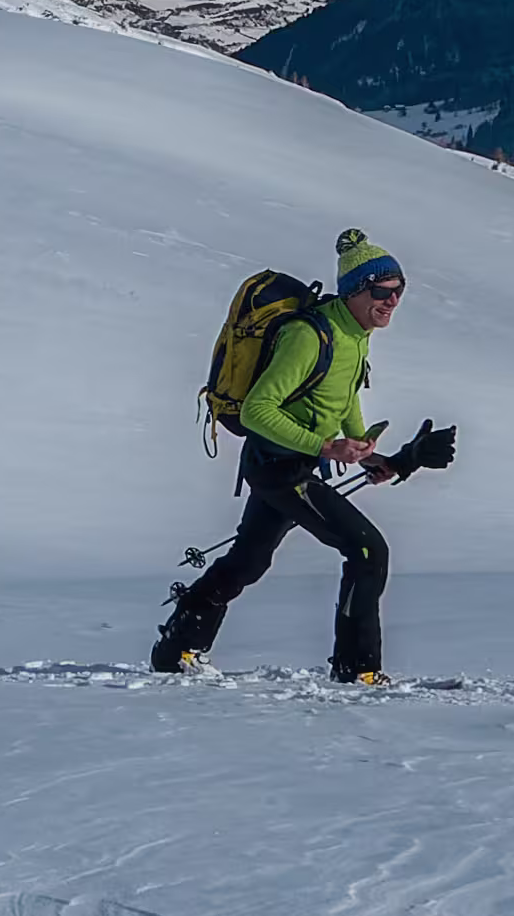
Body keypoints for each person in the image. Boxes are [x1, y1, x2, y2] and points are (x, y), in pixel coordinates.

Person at [155, 231, 409, 683]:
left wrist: (363, 447)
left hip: (292, 463)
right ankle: (357, 670)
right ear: (354, 291)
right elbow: (257, 410)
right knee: (368, 550)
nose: (391, 301)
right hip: (277, 465)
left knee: (249, 562)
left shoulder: (355, 333)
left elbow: (342, 394)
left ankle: (177, 647)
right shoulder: (308, 336)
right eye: (381, 292)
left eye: (398, 291)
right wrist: (326, 447)